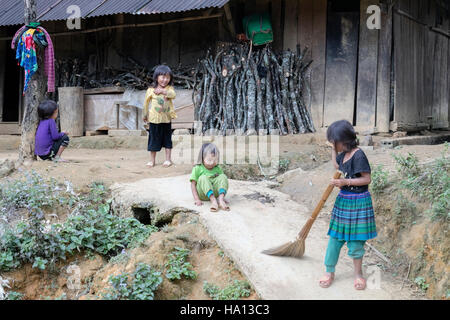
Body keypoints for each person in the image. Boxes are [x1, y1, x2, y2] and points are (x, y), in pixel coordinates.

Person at [319, 119, 377, 290]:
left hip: (359, 202)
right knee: (335, 239)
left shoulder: (358, 155)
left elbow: (367, 179)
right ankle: (329, 271)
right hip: (344, 201)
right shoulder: (343, 154)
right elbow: (337, 165)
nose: (332, 144)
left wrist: (345, 181)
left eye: (333, 141)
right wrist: (332, 148)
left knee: (356, 241)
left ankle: (358, 275)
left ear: (342, 141)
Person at [142, 65, 177, 167]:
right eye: (162, 77)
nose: (165, 80)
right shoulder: (150, 90)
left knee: (167, 140)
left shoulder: (169, 89)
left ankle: (168, 159)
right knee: (153, 140)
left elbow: (173, 94)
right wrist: (145, 115)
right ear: (156, 77)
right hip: (154, 120)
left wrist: (162, 91)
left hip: (166, 120)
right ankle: (152, 160)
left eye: (167, 77)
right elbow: (145, 103)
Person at [190, 143, 230, 212]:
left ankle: (221, 199)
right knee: (203, 178)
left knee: (223, 176)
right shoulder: (197, 168)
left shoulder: (217, 168)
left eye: (215, 160)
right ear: (202, 158)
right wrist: (196, 199)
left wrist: (222, 194)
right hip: (203, 194)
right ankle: (213, 200)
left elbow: (222, 182)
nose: (212, 163)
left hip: (215, 193)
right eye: (209, 160)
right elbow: (193, 184)